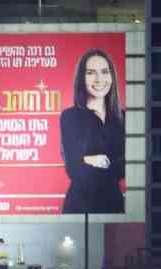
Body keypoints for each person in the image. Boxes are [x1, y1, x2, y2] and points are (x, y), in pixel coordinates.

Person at [59, 48, 126, 213]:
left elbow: (124, 168)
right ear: (82, 78)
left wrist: (90, 159)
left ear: (112, 76)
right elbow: (74, 168)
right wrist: (109, 163)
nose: (99, 79)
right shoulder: (70, 117)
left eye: (104, 72)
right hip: (80, 206)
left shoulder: (123, 118)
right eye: (91, 72)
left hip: (113, 205)